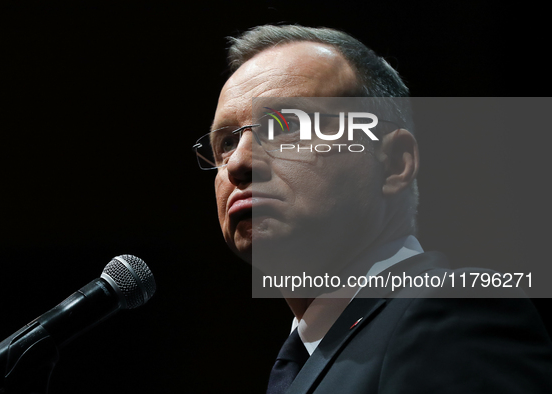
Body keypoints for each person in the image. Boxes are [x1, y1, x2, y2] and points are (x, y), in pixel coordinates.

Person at [193, 25, 552, 393]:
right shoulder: (304, 356)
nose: (237, 163)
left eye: (286, 125)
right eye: (226, 141)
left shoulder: (456, 309)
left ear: (394, 163)